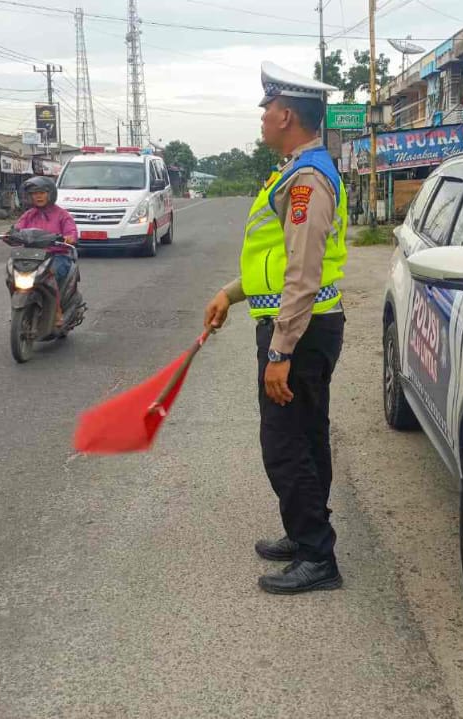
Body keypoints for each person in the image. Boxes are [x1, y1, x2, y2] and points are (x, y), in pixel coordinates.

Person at [203, 62, 349, 595]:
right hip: (306, 325)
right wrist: (230, 293)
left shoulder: (306, 180)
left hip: (300, 330)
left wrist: (280, 351)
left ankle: (317, 555)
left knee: (284, 443)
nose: (262, 119)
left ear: (286, 114)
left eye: (267, 110)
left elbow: (303, 273)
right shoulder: (295, 171)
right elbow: (275, 260)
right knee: (306, 436)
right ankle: (305, 530)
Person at [15, 176, 78, 327]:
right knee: (12, 276)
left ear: (50, 194)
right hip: (32, 256)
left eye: (42, 192)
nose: (38, 196)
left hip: (57, 255)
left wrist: (69, 238)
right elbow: (16, 229)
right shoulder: (29, 215)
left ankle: (57, 311)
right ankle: (19, 306)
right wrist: (10, 235)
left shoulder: (63, 215)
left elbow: (72, 233)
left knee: (50, 275)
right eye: (35, 193)